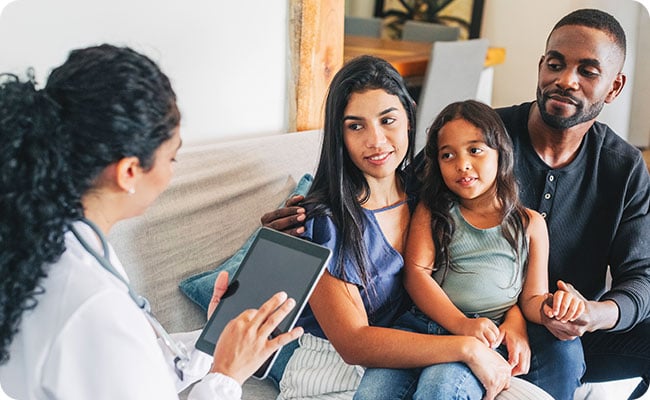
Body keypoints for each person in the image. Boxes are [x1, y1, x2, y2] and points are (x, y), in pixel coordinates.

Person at [263, 9, 650, 400]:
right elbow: (389, 186)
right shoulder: (478, 135)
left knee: (577, 348)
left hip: (551, 317)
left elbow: (642, 275)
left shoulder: (623, 166)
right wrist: (300, 221)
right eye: (556, 64)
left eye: (588, 71)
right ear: (541, 66)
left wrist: (593, 315)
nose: (566, 80)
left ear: (614, 87)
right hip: (453, 319)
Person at [0, 44, 303, 400]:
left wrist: (211, 342)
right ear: (129, 172)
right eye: (172, 157)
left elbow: (129, 371)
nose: (173, 171)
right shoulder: (95, 306)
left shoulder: (55, 242)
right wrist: (227, 377)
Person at [266, 56, 551, 400]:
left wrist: (515, 318)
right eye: (355, 126)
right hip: (336, 368)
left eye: (388, 120)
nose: (376, 140)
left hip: (430, 350)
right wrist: (467, 349)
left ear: (409, 117)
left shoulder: (429, 195)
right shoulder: (326, 222)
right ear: (339, 133)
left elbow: (482, 269)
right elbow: (354, 343)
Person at [354, 99, 584, 400]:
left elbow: (531, 298)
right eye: (448, 155)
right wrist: (461, 324)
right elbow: (416, 275)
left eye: (475, 150)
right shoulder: (434, 210)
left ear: (500, 153)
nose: (462, 164)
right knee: (373, 393)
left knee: (441, 389)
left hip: (487, 336)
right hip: (420, 327)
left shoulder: (529, 223)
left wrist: (556, 307)